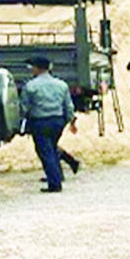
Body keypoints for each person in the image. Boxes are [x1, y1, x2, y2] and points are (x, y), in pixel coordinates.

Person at [20, 56, 78, 193]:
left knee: (45, 152)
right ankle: (58, 175)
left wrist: (21, 122)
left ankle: (55, 183)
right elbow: (68, 107)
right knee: (51, 148)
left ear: (37, 68)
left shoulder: (31, 86)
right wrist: (71, 121)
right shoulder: (61, 85)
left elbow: (24, 108)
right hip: (58, 122)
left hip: (40, 121)